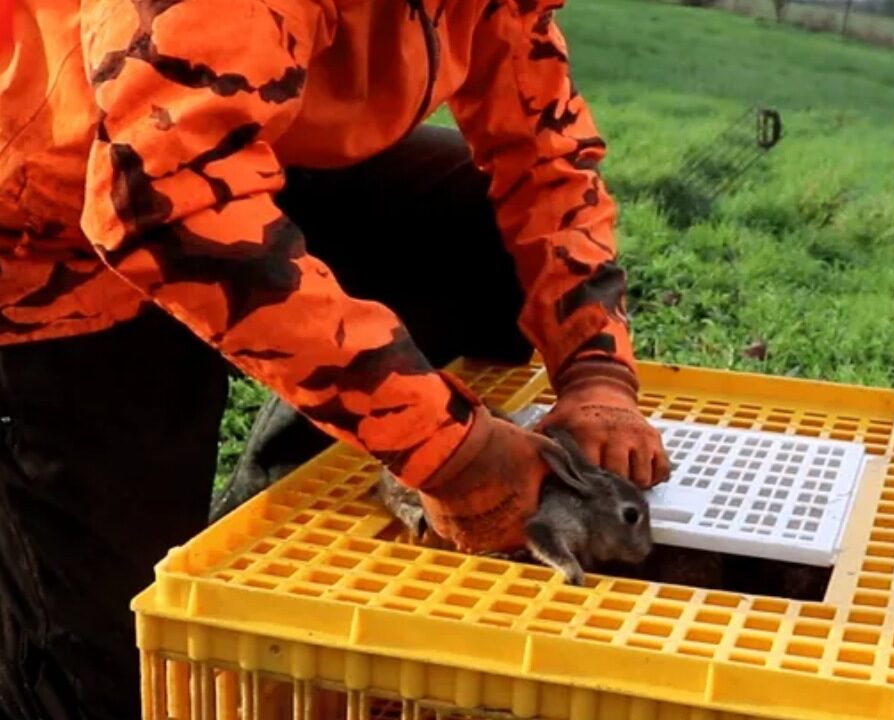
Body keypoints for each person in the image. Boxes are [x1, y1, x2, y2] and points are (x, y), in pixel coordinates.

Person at [0, 0, 670, 716]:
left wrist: (596, 371)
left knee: (469, 230)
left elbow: (544, 153)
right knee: (117, 651)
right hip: (46, 235)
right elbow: (161, 199)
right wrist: (452, 453)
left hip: (245, 152)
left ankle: (311, 486)